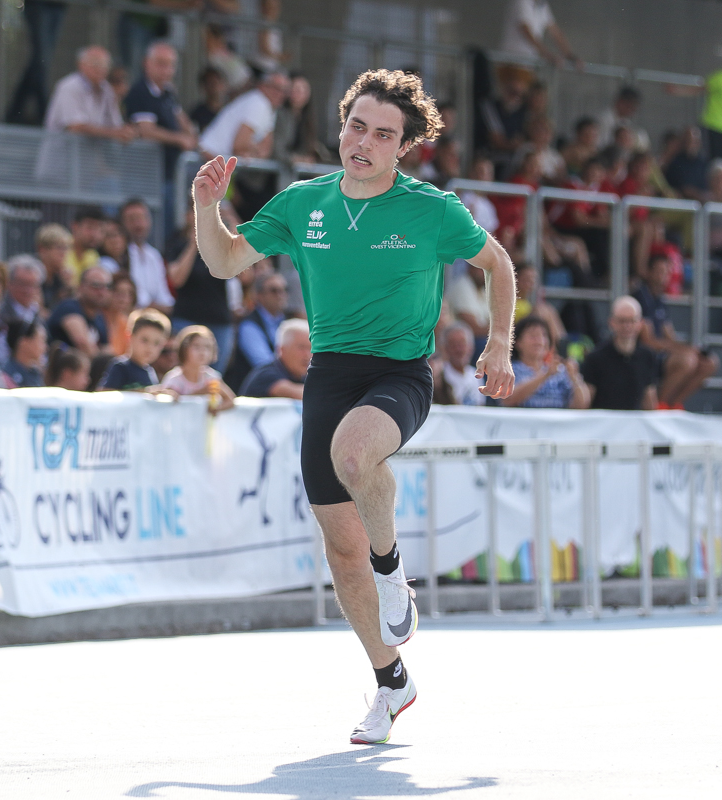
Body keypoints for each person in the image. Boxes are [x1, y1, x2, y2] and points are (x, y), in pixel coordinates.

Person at [191, 68, 516, 745]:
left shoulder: (433, 210)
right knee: (342, 550)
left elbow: (499, 265)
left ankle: (391, 568)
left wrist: (499, 345)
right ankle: (392, 682)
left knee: (355, 453)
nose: (363, 143)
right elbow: (223, 262)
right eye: (356, 127)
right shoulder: (303, 202)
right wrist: (206, 206)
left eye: (382, 135)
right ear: (341, 127)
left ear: (405, 147)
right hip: (329, 374)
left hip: (400, 372)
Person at [125, 42, 200, 239]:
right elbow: (145, 130)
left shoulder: (168, 92)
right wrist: (179, 139)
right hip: (147, 177)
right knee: (156, 229)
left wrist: (191, 135)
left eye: (170, 65)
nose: (166, 70)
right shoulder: (140, 91)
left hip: (170, 174)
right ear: (146, 63)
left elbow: (182, 120)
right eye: (160, 63)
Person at [634, 253, 719, 409]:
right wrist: (683, 350)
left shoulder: (660, 300)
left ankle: (674, 405)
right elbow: (648, 341)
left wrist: (691, 349)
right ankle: (658, 407)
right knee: (686, 361)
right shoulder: (641, 297)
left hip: (661, 354)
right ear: (649, 272)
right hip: (644, 356)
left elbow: (669, 336)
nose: (663, 277)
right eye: (659, 271)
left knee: (709, 363)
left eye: (667, 272)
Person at [167, 205, 239, 373]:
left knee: (214, 377)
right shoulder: (177, 244)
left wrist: (234, 233)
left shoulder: (221, 246)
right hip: (186, 319)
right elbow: (176, 280)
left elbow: (246, 277)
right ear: (188, 215)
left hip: (219, 322)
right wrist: (194, 245)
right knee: (184, 372)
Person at [668, 50, 722, 162]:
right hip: (712, 124)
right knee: (710, 159)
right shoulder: (719, 77)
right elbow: (699, 90)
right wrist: (677, 91)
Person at [43, 45, 136, 143]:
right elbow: (75, 127)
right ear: (81, 64)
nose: (100, 69)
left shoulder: (106, 89)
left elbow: (116, 125)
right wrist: (113, 133)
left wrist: (127, 132)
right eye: (95, 63)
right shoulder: (69, 86)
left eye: (105, 65)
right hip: (62, 151)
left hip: (89, 152)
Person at [580, 295, 658, 410]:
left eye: (632, 321)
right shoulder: (595, 358)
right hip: (603, 419)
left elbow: (649, 400)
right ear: (611, 322)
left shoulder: (647, 357)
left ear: (640, 323)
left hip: (634, 420)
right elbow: (586, 402)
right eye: (622, 321)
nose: (627, 326)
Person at [199, 71, 291, 160]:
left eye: (285, 91)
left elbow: (266, 148)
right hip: (206, 159)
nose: (280, 94)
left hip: (216, 161)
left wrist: (252, 149)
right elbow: (240, 147)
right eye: (276, 88)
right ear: (263, 86)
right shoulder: (258, 103)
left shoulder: (270, 107)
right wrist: (254, 149)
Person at [503, 315, 589, 409]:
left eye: (544, 335)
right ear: (518, 342)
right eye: (533, 336)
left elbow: (581, 405)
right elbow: (508, 399)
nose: (539, 341)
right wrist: (545, 375)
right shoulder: (510, 370)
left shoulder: (560, 371)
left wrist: (575, 377)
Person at [5, 0, 68, 125]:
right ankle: (44, 115)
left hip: (59, 5)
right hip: (38, 5)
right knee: (41, 62)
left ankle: (15, 113)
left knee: (39, 63)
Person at [226, 270, 289, 390]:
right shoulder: (249, 325)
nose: (281, 295)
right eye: (274, 290)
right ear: (259, 295)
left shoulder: (286, 322)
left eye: (285, 290)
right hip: (256, 393)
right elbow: (264, 364)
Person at [160, 324, 236, 408]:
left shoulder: (211, 377)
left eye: (207, 347)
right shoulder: (174, 378)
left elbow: (231, 400)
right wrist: (199, 392)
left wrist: (215, 409)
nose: (202, 352)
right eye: (196, 346)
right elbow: (170, 405)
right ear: (184, 349)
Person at [120, 198, 173, 314]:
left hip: (156, 317)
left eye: (141, 218)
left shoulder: (154, 255)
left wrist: (154, 307)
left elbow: (166, 299)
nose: (138, 224)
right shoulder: (119, 254)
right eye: (132, 219)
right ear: (123, 223)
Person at [99, 308, 170, 391]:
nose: (150, 347)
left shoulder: (150, 372)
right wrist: (142, 392)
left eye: (156, 343)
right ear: (130, 337)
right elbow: (105, 393)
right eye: (144, 340)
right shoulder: (121, 367)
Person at [47, 265, 111, 356]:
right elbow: (82, 344)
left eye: (106, 286)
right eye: (96, 286)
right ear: (81, 286)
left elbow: (107, 349)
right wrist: (102, 362)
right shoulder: (69, 307)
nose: (102, 292)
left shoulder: (99, 317)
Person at [239, 317, 311, 399]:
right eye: (301, 348)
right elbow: (304, 395)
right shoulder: (266, 374)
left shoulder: (302, 377)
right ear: (281, 349)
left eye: (310, 348)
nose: (308, 355)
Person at [499, 0, 582, 70]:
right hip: (512, 61)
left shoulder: (542, 6)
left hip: (528, 63)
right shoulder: (522, 2)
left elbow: (556, 33)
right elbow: (526, 31)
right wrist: (546, 55)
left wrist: (571, 57)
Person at [436, 322, 485, 406]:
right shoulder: (439, 376)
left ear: (471, 347)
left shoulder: (476, 375)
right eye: (453, 344)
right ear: (445, 348)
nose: (459, 349)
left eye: (462, 344)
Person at [35, 223, 74, 309]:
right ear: (42, 249)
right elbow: (38, 311)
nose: (64, 254)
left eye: (66, 248)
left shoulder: (60, 277)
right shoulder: (33, 275)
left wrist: (68, 286)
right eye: (59, 248)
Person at [596, 85, 647, 152]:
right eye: (630, 106)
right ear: (620, 102)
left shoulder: (626, 121)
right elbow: (602, 143)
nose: (632, 110)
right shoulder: (603, 119)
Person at [3, 318, 47, 387]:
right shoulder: (6, 376)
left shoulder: (35, 373)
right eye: (41, 340)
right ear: (24, 342)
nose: (45, 347)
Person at [66, 207, 107, 278]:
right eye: (90, 227)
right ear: (75, 226)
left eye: (99, 229)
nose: (95, 234)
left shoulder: (93, 255)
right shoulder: (61, 249)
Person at [189, 66, 228, 134]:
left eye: (218, 82)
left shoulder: (231, 109)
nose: (215, 87)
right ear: (204, 87)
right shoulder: (197, 114)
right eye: (211, 83)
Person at [105, 272, 136, 356]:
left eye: (129, 294)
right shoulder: (97, 317)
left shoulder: (127, 324)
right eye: (119, 292)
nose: (124, 299)